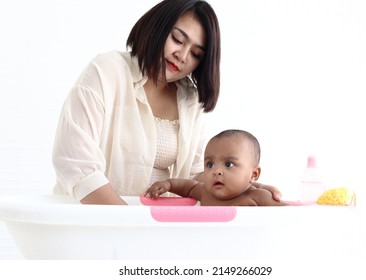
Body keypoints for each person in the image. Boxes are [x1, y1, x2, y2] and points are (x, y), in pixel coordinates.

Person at [52, 0, 281, 205]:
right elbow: (77, 164)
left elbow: (195, 177)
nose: (182, 56)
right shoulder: (106, 71)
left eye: (196, 54)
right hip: (94, 224)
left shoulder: (190, 100)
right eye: (178, 40)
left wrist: (242, 188)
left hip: (158, 228)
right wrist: (129, 226)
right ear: (156, 27)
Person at [146, 129, 288, 206]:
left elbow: (288, 215)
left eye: (229, 164)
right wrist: (168, 184)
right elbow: (186, 187)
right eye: (210, 164)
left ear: (254, 174)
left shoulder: (257, 196)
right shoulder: (205, 192)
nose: (216, 171)